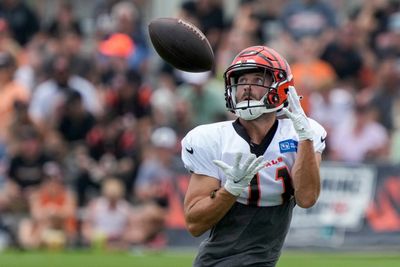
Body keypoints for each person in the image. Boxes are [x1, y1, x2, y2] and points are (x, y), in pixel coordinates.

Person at [181, 45, 327, 266]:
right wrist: (230, 190)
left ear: (281, 87)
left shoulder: (303, 133)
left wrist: (305, 138)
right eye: (240, 81)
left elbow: (307, 198)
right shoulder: (211, 139)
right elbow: (194, 223)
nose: (246, 88)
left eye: (258, 80)